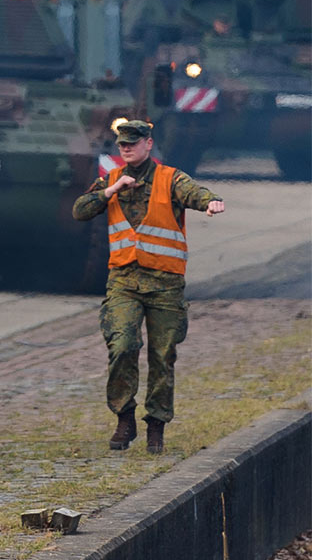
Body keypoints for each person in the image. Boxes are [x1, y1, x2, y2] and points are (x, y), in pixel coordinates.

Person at [71, 120, 225, 455]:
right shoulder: (111, 178)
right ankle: (124, 417)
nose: (126, 149)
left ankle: (156, 424)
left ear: (148, 144)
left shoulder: (170, 178)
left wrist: (211, 202)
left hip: (165, 284)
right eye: (122, 144)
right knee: (123, 345)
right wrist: (111, 191)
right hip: (124, 282)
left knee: (162, 355)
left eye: (132, 143)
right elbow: (80, 210)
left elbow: (195, 193)